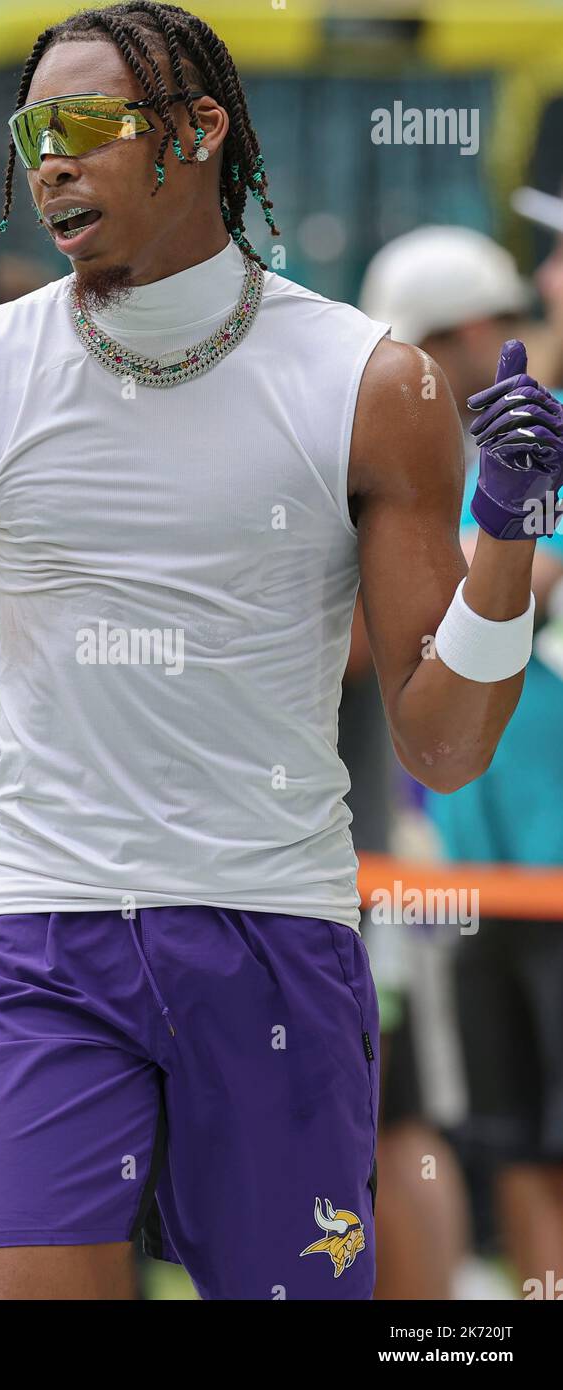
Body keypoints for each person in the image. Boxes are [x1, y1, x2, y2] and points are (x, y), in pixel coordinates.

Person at [0, 3, 562, 1302]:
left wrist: (501, 545)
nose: (49, 158)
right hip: (41, 947)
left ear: (198, 130)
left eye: (87, 124)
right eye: (34, 129)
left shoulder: (367, 384)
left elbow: (441, 735)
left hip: (275, 944)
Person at [363, 222, 563, 1297]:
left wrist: (510, 519)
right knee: (511, 1139)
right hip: (472, 870)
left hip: (554, 867)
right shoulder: (418, 476)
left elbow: (501, 599)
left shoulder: (534, 452)